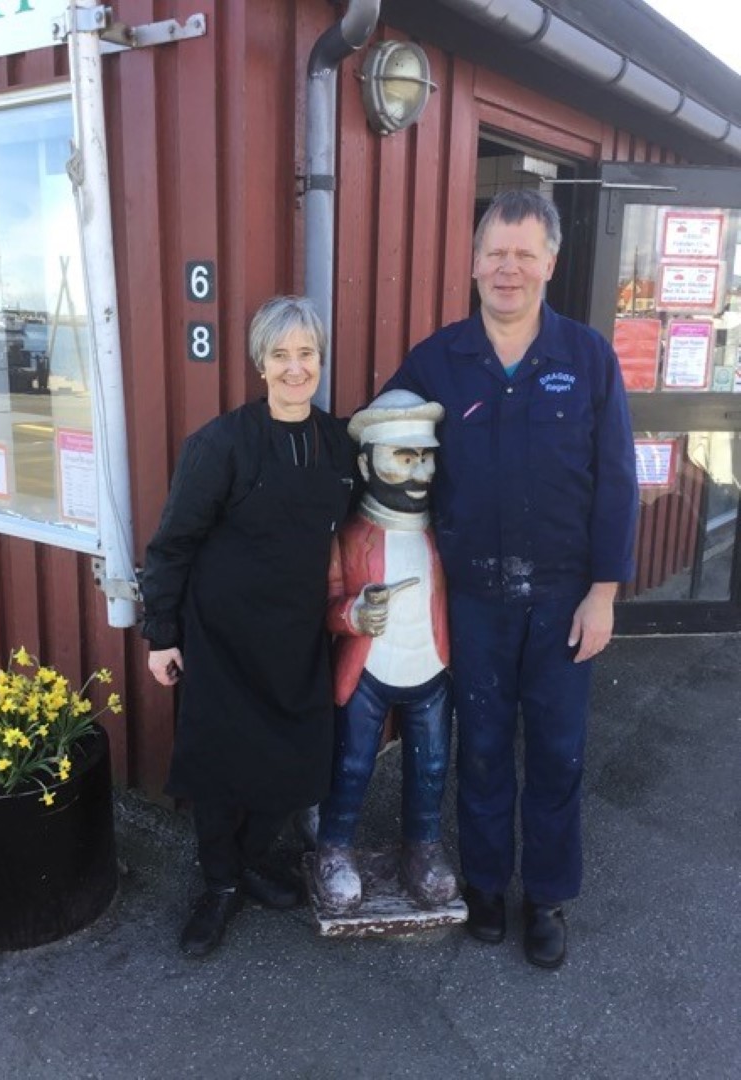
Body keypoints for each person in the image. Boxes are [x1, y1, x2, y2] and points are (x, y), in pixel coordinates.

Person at [383, 189, 638, 968]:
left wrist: (604, 595)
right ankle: (488, 884)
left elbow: (617, 481)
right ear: (472, 262)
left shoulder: (587, 358)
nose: (509, 268)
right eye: (495, 252)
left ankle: (547, 897)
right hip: (474, 599)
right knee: (484, 750)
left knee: (557, 754)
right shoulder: (435, 361)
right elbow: (380, 444)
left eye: (525, 254)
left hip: (563, 600)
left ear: (550, 264)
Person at [140, 295, 356, 959]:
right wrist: (161, 633)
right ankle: (220, 885)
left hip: (297, 637)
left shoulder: (339, 445)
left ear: (320, 359)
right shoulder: (220, 445)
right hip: (222, 637)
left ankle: (252, 859)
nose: (295, 367)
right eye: (280, 355)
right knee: (220, 767)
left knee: (296, 761)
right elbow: (172, 544)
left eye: (306, 353)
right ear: (260, 364)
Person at [313, 390, 458, 914]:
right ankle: (334, 846)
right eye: (402, 458)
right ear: (366, 464)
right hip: (368, 671)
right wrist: (353, 615)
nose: (419, 473)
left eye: (425, 458)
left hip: (431, 668)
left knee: (432, 763)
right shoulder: (350, 537)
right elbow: (326, 603)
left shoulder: (445, 533)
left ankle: (423, 847)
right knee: (352, 763)